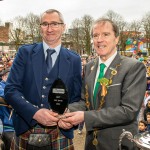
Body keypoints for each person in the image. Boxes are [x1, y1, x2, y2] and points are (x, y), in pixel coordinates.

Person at [59, 18, 147, 150]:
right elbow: (85, 102)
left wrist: (84, 117)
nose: (99, 39)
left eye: (106, 34)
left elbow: (128, 111)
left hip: (119, 144)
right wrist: (67, 111)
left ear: (116, 39)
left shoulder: (133, 67)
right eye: (95, 35)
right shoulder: (89, 67)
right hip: (91, 144)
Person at [4, 9, 82, 150]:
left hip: (60, 132)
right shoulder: (24, 53)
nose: (49, 29)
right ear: (40, 28)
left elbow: (77, 98)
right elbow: (10, 90)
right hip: (25, 128)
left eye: (54, 24)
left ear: (63, 27)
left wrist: (69, 117)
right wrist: (35, 113)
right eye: (45, 24)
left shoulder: (75, 59)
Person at [0, 69, 14, 150]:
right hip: (6, 126)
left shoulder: (13, 87)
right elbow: (8, 96)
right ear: (3, 77)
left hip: (14, 126)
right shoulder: (1, 86)